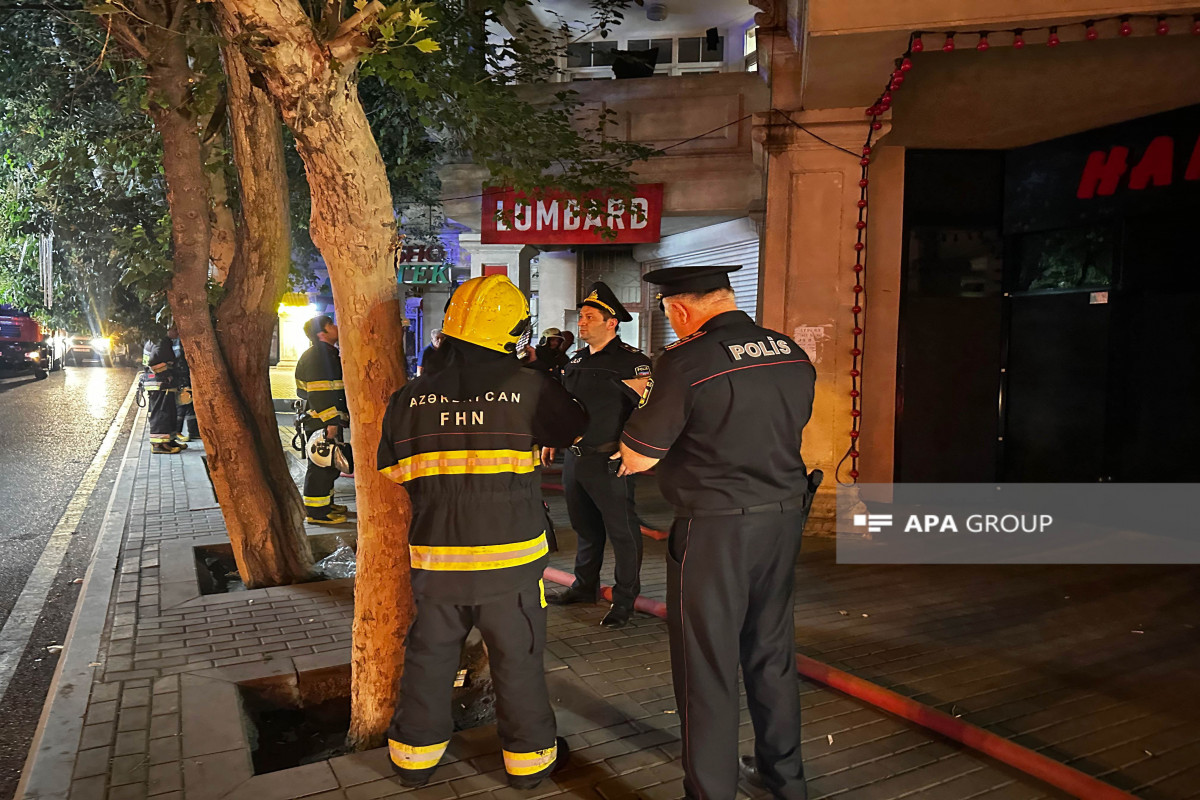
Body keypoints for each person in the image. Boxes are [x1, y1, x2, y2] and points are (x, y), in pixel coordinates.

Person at [617, 265, 819, 800]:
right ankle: (785, 781)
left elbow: (638, 457)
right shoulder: (790, 351)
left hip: (715, 533)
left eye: (667, 315)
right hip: (782, 521)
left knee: (706, 666)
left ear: (680, 309)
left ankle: (711, 792)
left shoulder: (685, 362)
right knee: (771, 654)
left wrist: (642, 400)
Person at [378, 275, 587, 790]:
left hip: (437, 558)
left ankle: (413, 757)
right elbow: (576, 427)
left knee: (429, 656)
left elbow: (393, 471)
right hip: (510, 563)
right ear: (512, 333)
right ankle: (529, 761)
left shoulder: (409, 397)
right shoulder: (529, 386)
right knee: (517, 658)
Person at [545, 282, 651, 629]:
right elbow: (564, 406)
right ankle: (584, 586)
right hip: (576, 460)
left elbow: (648, 413)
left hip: (610, 462)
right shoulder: (576, 359)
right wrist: (553, 436)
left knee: (622, 532)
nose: (582, 323)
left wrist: (634, 450)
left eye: (590, 317)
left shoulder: (632, 363)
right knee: (586, 529)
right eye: (581, 317)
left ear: (612, 323)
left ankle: (624, 601)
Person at [295, 315, 349, 524]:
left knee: (329, 463)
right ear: (322, 333)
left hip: (327, 420)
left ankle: (326, 503)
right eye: (331, 325)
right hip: (322, 421)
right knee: (319, 466)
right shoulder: (318, 357)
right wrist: (331, 422)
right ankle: (316, 513)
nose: (336, 326)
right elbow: (319, 394)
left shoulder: (326, 354)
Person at [142, 329, 186, 455]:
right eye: (176, 329)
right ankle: (159, 444)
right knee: (162, 414)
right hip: (160, 383)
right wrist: (167, 374)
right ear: (168, 328)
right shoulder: (161, 341)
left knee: (170, 412)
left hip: (161, 384)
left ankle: (170, 440)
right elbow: (153, 362)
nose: (178, 332)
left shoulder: (159, 339)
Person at [172, 336, 200, 442]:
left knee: (190, 406)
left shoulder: (180, 340)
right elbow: (180, 361)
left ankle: (194, 432)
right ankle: (177, 431)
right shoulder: (178, 342)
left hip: (186, 377)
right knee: (182, 405)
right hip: (182, 378)